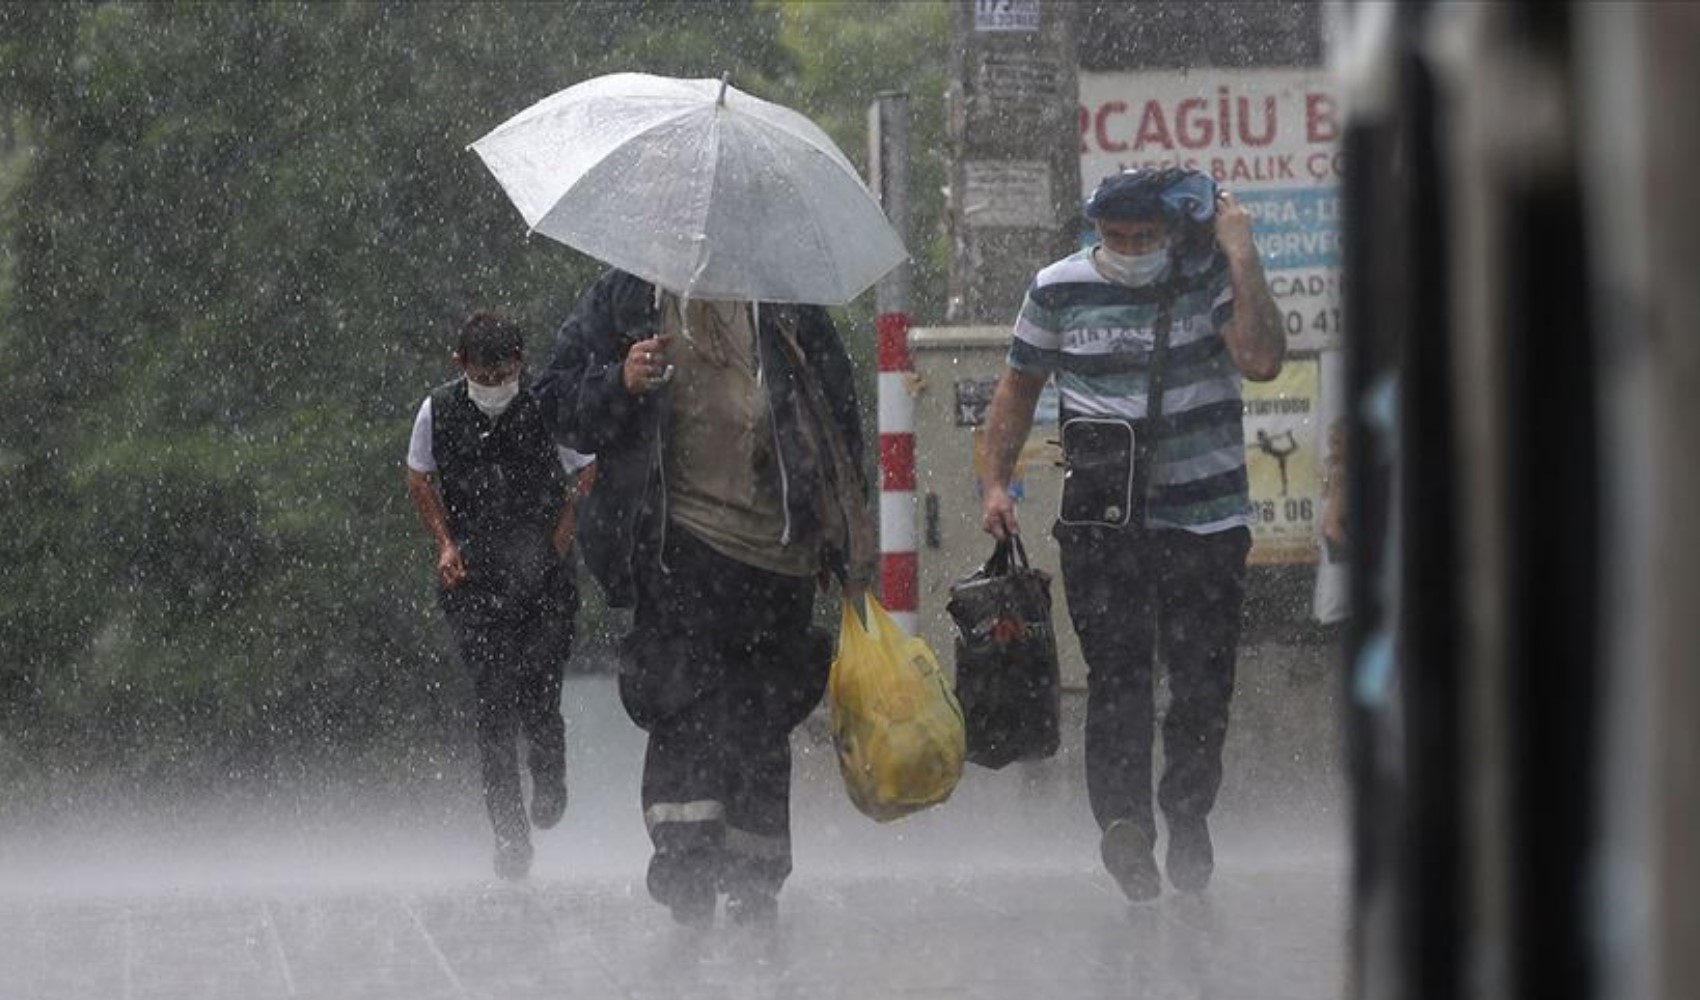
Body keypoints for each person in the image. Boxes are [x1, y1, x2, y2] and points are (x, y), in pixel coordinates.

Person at [978, 167, 1284, 901]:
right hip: (1102, 526)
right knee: (1118, 677)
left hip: (1206, 522)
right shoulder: (1058, 288)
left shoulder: (1208, 277)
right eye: (1113, 236)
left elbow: (1261, 358)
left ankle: (1187, 809)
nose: (1127, 248)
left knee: (1201, 683)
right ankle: (1124, 825)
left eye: (1143, 237)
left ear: (1173, 232)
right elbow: (1016, 391)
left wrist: (1241, 253)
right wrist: (995, 481)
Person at [536, 268, 874, 927]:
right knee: (684, 702)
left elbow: (835, 417)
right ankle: (686, 865)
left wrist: (840, 536)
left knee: (760, 712)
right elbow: (557, 405)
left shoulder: (786, 299)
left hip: (779, 549)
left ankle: (755, 875)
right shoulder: (628, 297)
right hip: (676, 541)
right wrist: (620, 382)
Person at [406, 311, 595, 880]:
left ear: (520, 364)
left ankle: (549, 769)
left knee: (540, 689)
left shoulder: (544, 407)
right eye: (484, 377)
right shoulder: (437, 410)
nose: (494, 387)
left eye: (504, 374)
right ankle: (510, 836)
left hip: (543, 575)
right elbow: (419, 476)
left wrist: (565, 524)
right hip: (474, 579)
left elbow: (587, 468)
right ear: (461, 365)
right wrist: (444, 543)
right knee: (492, 705)